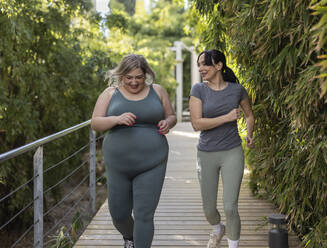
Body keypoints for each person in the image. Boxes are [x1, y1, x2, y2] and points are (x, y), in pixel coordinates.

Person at [91, 54, 177, 248]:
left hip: (152, 162)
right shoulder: (110, 93)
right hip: (118, 165)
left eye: (138, 77)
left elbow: (171, 116)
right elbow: (95, 123)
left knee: (144, 214)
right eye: (129, 77)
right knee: (119, 214)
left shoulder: (158, 91)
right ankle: (130, 238)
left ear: (146, 74)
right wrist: (116, 119)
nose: (134, 82)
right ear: (121, 75)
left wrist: (167, 122)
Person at [189, 49, 254, 248]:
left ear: (219, 65)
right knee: (209, 209)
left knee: (230, 206)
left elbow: (249, 115)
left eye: (205, 64)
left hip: (231, 151)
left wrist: (250, 134)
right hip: (206, 153)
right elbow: (197, 124)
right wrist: (226, 118)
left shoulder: (237, 90)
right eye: (199, 64)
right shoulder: (198, 89)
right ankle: (217, 229)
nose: (201, 68)